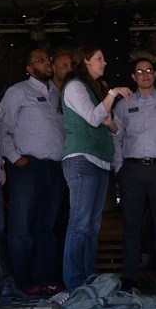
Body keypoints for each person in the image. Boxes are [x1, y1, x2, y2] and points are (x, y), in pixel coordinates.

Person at [60, 46, 132, 291]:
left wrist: (109, 118)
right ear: (85, 61)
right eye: (99, 59)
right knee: (79, 224)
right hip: (81, 160)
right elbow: (93, 118)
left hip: (101, 162)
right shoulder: (75, 86)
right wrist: (112, 94)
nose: (104, 63)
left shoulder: (96, 89)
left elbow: (117, 128)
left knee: (92, 227)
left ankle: (88, 280)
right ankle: (73, 283)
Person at [111, 58, 156, 293]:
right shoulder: (123, 104)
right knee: (131, 225)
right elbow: (116, 137)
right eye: (140, 71)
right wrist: (119, 166)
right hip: (131, 169)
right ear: (133, 77)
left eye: (149, 71)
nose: (145, 75)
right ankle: (130, 277)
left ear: (155, 75)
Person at [0, 48, 66, 295]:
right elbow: (2, 127)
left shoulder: (57, 94)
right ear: (28, 68)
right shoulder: (17, 92)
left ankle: (45, 279)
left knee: (46, 228)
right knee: (21, 226)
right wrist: (16, 159)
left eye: (48, 58)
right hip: (27, 166)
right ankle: (19, 282)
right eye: (39, 60)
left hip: (53, 168)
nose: (47, 62)